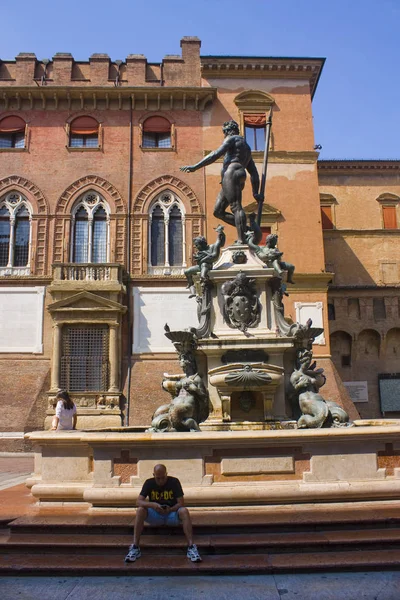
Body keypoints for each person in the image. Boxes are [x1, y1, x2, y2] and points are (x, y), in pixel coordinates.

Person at [180, 120, 263, 244]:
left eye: (224, 132)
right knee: (218, 211)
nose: (224, 135)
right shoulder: (246, 147)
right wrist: (255, 193)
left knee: (236, 206)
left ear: (228, 131)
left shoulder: (232, 139)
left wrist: (195, 167)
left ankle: (241, 241)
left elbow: (214, 154)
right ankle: (246, 230)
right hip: (237, 175)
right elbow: (254, 173)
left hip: (231, 173)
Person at [125, 464, 202, 563]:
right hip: (156, 515)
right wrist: (153, 505)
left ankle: (191, 547)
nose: (161, 481)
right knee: (140, 510)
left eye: (163, 478)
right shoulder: (149, 483)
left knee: (184, 511)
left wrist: (171, 509)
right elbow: (138, 501)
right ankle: (135, 546)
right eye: (158, 478)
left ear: (166, 474)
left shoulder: (174, 482)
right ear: (154, 475)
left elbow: (181, 503)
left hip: (171, 514)